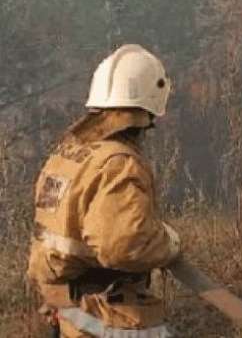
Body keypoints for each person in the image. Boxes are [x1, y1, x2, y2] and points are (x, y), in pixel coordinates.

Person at [28, 45, 181, 338]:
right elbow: (123, 246)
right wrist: (169, 243)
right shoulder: (119, 164)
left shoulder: (70, 154)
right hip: (105, 314)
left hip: (64, 307)